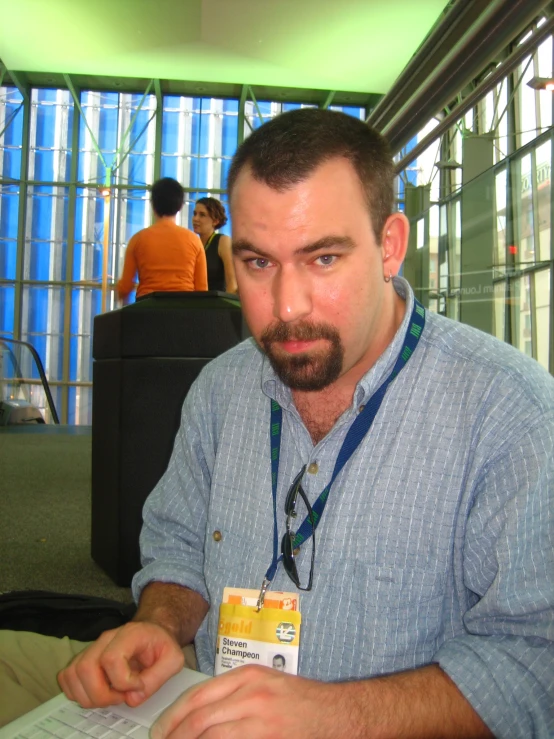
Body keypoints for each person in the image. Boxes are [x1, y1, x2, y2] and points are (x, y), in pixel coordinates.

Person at [0, 109, 552, 738]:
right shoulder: (221, 389)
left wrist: (333, 716)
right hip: (200, 701)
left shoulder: (509, 415)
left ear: (390, 247)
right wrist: (158, 624)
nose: (286, 307)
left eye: (322, 258)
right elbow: (177, 546)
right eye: (259, 263)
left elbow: (537, 664)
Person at [116, 177, 207, 302]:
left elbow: (125, 287)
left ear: (153, 204)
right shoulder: (194, 241)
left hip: (147, 310)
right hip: (184, 310)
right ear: (180, 206)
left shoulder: (138, 240)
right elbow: (202, 289)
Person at [192, 197, 237, 293]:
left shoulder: (223, 241)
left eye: (202, 215)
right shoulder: (193, 244)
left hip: (217, 304)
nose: (195, 219)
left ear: (215, 221)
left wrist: (227, 307)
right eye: (195, 214)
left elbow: (232, 281)